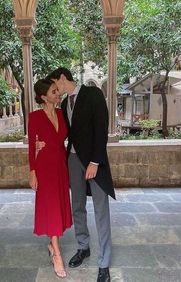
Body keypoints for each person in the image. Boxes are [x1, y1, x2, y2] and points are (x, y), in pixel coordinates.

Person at [47, 67, 116, 282]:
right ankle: (83, 247)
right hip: (73, 161)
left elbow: (101, 128)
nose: (54, 88)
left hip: (94, 162)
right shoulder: (65, 102)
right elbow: (60, 131)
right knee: (76, 205)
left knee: (100, 209)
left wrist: (95, 161)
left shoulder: (92, 93)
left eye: (54, 83)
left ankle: (104, 263)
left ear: (62, 78)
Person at [28, 78, 72, 278]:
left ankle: (51, 244)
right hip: (44, 167)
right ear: (44, 97)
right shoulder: (35, 117)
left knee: (58, 206)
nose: (57, 94)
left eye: (57, 90)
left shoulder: (63, 114)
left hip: (61, 166)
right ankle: (56, 254)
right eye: (54, 92)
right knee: (52, 207)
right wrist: (32, 172)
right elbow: (31, 146)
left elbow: (72, 135)